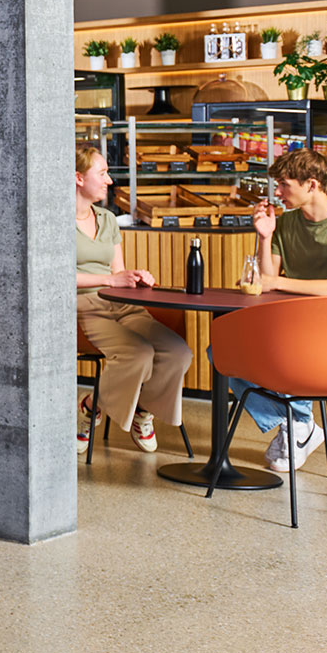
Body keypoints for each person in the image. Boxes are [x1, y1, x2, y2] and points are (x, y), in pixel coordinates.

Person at [224, 148, 327, 472]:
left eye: (284, 184)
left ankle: (297, 423)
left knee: (284, 351)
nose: (277, 192)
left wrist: (277, 282)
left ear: (312, 184)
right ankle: (298, 421)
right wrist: (264, 237)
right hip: (289, 326)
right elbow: (267, 279)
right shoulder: (286, 223)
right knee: (221, 352)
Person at [73, 144, 191, 453]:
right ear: (78, 178)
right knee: (138, 354)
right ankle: (90, 410)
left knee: (178, 352)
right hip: (83, 307)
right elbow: (52, 278)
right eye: (102, 173)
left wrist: (134, 278)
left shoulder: (107, 219)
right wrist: (109, 280)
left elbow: (118, 271)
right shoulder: (53, 222)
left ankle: (140, 410)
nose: (110, 180)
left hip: (120, 302)